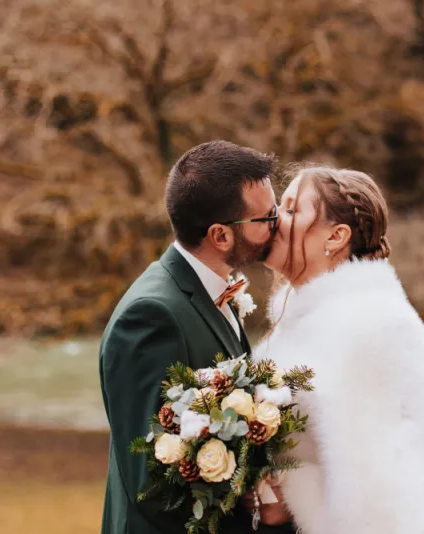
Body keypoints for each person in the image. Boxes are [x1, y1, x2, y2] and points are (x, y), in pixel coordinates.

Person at [250, 166, 424, 534]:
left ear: (336, 236)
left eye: (293, 210)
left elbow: (373, 494)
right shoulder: (302, 320)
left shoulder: (368, 323)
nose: (275, 219)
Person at [99, 140, 296, 534]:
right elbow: (153, 486)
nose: (278, 225)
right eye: (267, 218)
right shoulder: (151, 316)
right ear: (221, 236)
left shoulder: (215, 289)